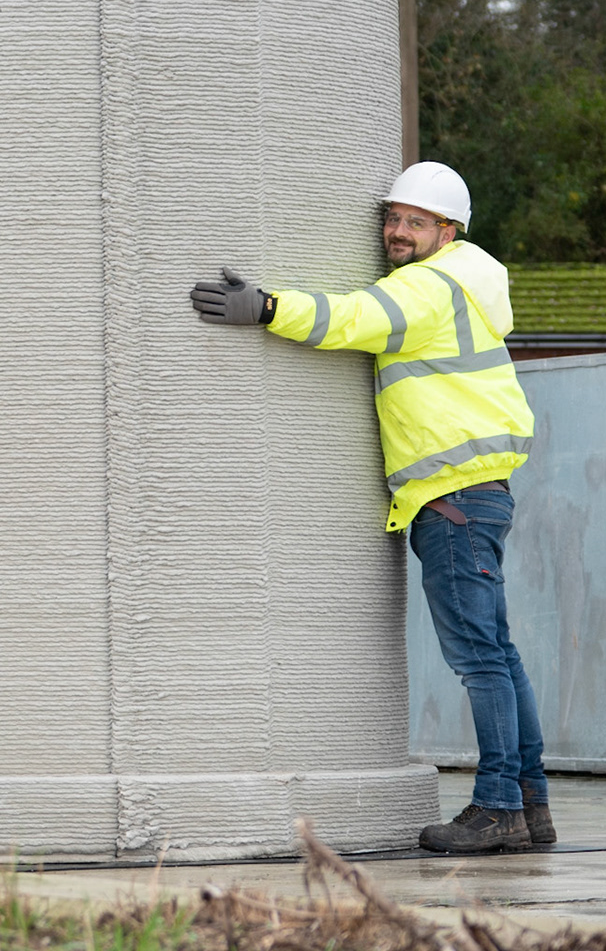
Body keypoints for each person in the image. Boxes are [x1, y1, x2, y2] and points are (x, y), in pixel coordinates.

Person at [188, 162, 551, 854]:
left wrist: (266, 308)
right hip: (477, 494)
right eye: (393, 218)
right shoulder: (469, 281)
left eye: (415, 222)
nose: (397, 232)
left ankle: (499, 805)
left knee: (480, 661)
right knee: (499, 655)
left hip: (453, 500)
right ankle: (530, 807)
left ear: (449, 231)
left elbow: (354, 319)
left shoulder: (426, 288)